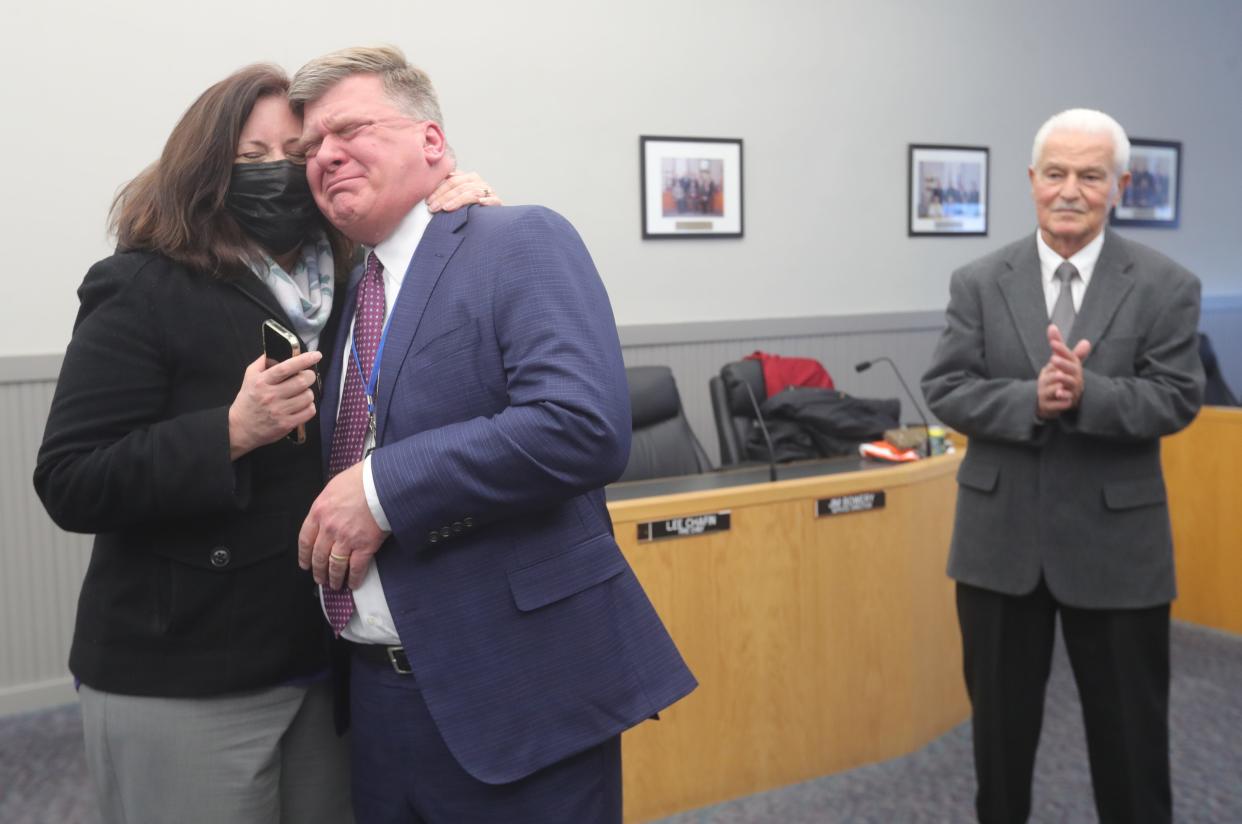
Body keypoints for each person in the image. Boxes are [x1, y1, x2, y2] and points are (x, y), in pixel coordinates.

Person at [33, 63, 495, 824]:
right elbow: (71, 479)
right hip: (182, 670)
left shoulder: (354, 278)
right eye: (250, 158)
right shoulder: (142, 285)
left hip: (318, 658)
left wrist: (454, 213)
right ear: (206, 168)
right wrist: (229, 433)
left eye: (296, 150)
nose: (278, 173)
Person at [287, 46, 697, 824]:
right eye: (311, 147)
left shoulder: (516, 242)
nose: (325, 155)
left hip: (518, 693)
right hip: (376, 699)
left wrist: (380, 490)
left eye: (349, 129)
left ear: (431, 144)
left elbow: (581, 426)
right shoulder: (348, 294)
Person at [921, 108, 1204, 824]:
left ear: (1119, 185)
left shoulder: (1167, 285)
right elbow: (946, 388)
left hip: (1119, 552)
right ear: (1032, 182)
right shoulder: (978, 281)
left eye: (1090, 175)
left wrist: (1087, 395)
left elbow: (1176, 399)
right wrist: (1032, 400)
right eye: (1056, 174)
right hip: (999, 548)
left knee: (1132, 752)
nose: (1070, 190)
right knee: (1000, 752)